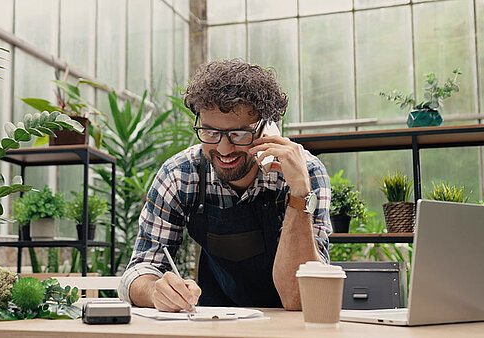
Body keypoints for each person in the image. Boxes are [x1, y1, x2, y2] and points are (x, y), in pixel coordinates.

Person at [118, 59, 332, 311]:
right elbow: (139, 270)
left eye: (239, 134)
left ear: (268, 128)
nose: (223, 148)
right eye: (210, 132)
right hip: (214, 320)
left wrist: (298, 195)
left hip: (289, 324)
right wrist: (155, 290)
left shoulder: (305, 174)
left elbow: (300, 297)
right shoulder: (180, 174)